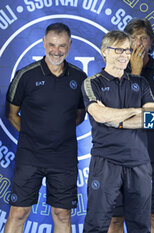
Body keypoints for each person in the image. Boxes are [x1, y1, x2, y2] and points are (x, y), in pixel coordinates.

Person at [5, 22, 86, 233]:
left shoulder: (79, 78)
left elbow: (79, 115)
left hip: (64, 158)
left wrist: (58, 132)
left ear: (69, 45)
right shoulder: (26, 75)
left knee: (62, 214)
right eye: (51, 45)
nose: (56, 51)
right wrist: (34, 135)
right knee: (18, 212)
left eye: (61, 46)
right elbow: (12, 113)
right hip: (30, 155)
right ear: (43, 43)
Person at [82, 30, 154, 233]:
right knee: (96, 226)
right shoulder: (92, 83)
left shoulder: (140, 83)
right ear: (104, 52)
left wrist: (118, 121)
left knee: (140, 227)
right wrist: (134, 110)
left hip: (139, 163)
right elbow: (99, 115)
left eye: (127, 50)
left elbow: (152, 119)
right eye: (118, 50)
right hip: (106, 162)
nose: (124, 55)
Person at [108, 18, 154, 233]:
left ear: (150, 43)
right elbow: (112, 114)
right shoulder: (113, 72)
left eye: (143, 38)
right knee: (115, 219)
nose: (139, 43)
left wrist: (131, 118)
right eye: (134, 38)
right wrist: (135, 74)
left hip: (153, 154)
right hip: (119, 154)